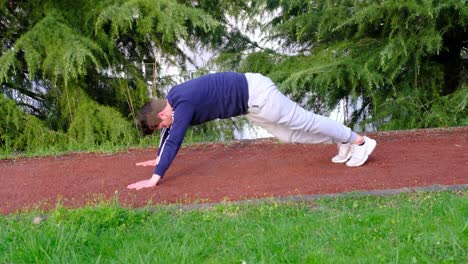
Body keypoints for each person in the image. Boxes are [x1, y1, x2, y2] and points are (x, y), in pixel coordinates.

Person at [127, 72, 377, 190]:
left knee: (305, 121)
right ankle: (343, 139)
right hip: (252, 104)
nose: (165, 127)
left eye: (162, 124)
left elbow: (174, 140)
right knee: (287, 135)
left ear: (162, 115)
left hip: (259, 95)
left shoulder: (183, 105)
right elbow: (167, 135)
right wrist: (158, 156)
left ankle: (360, 142)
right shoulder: (173, 98)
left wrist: (154, 177)